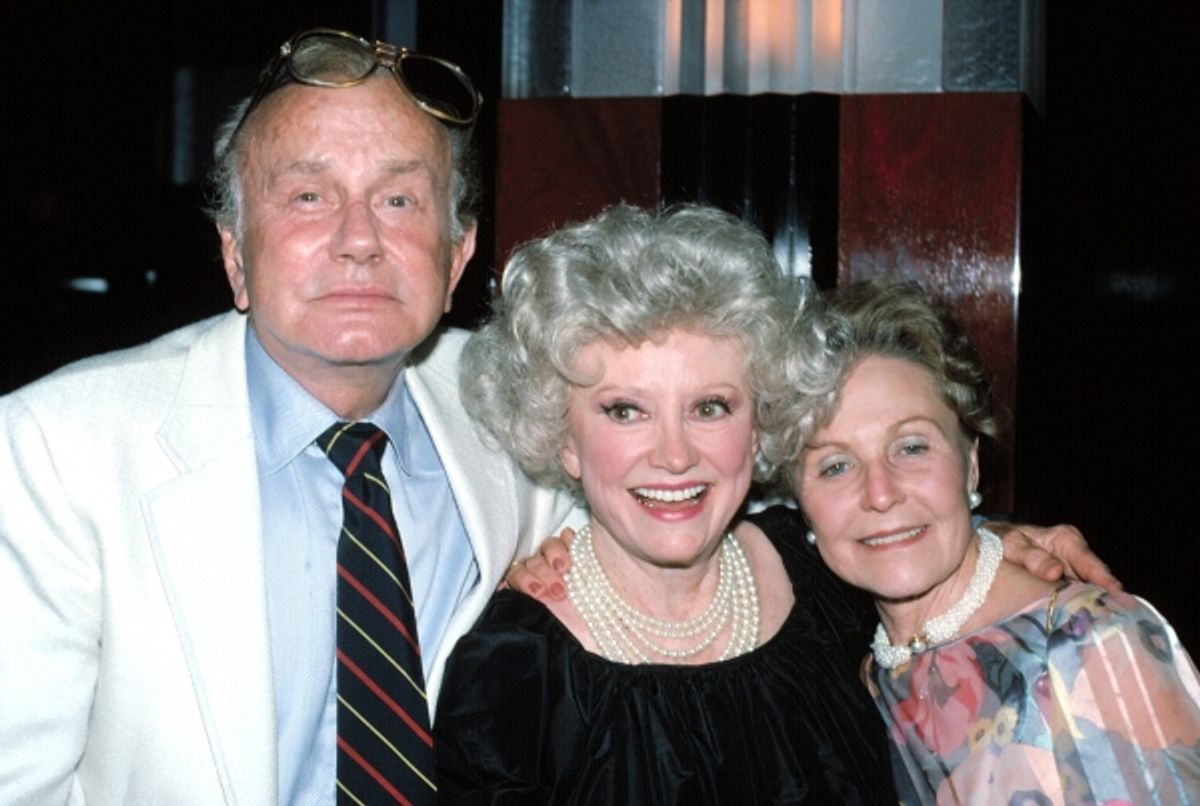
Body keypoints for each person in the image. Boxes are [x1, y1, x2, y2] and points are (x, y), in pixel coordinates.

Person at [0, 28, 577, 805]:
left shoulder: (523, 409)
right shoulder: (54, 450)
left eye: (400, 199)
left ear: (459, 256)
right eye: (309, 196)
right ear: (236, 255)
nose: (360, 241)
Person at [435, 202, 901, 802]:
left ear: (759, 424)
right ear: (562, 438)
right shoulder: (517, 673)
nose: (675, 456)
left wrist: (1012, 546)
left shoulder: (827, 577)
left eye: (710, 407)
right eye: (626, 411)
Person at [790, 280, 1200, 802]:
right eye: (836, 465)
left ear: (972, 464)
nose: (880, 494)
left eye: (912, 447)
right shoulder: (856, 676)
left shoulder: (1090, 645)